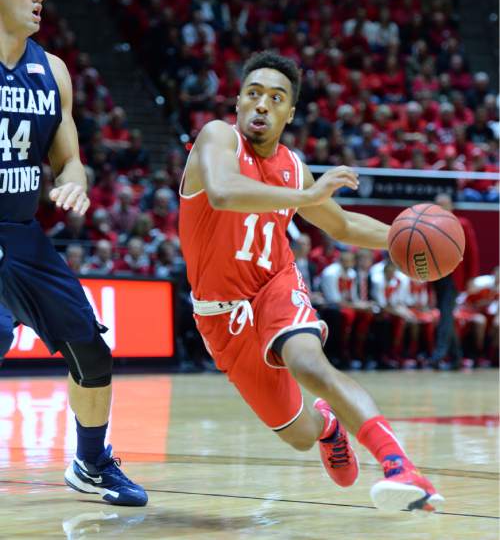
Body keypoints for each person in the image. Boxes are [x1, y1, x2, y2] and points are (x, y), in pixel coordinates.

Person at [179, 50, 443, 512]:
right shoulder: (217, 139)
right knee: (299, 436)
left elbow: (340, 225)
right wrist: (304, 194)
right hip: (220, 314)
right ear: (239, 101)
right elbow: (222, 193)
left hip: (274, 284)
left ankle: (401, 466)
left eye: (276, 98)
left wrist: (404, 241)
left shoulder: (293, 166)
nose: (262, 105)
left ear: (290, 113)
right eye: (254, 94)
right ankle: (327, 426)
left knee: (308, 363)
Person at [0, 0, 146, 506]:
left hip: (20, 232)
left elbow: (69, 159)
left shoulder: (52, 70)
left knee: (92, 350)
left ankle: (90, 463)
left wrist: (76, 183)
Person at [431, 193, 479, 369]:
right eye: (438, 205)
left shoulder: (462, 224)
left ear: (451, 206)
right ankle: (457, 357)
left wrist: (471, 278)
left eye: (444, 204)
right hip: (436, 276)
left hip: (454, 277)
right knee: (446, 316)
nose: (441, 208)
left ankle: (439, 355)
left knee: (445, 315)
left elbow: (472, 252)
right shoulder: (430, 225)